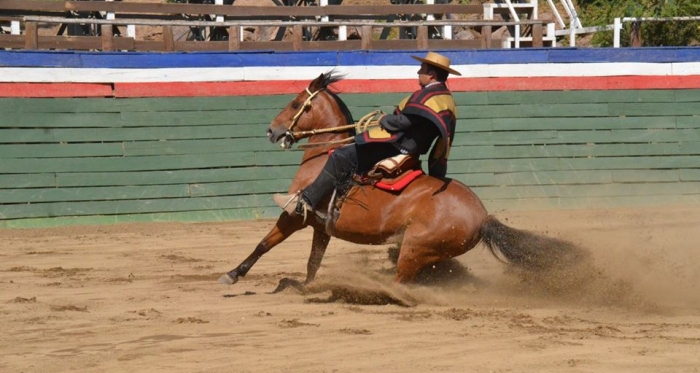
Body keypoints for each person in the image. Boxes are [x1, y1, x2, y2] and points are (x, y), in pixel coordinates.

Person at [273, 51, 461, 218]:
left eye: (421, 69)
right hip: (409, 146)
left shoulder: (429, 95)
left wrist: (385, 120)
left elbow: (406, 122)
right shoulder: (443, 98)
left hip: (397, 145)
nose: (417, 72)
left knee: (341, 156)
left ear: (431, 74)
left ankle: (306, 203)